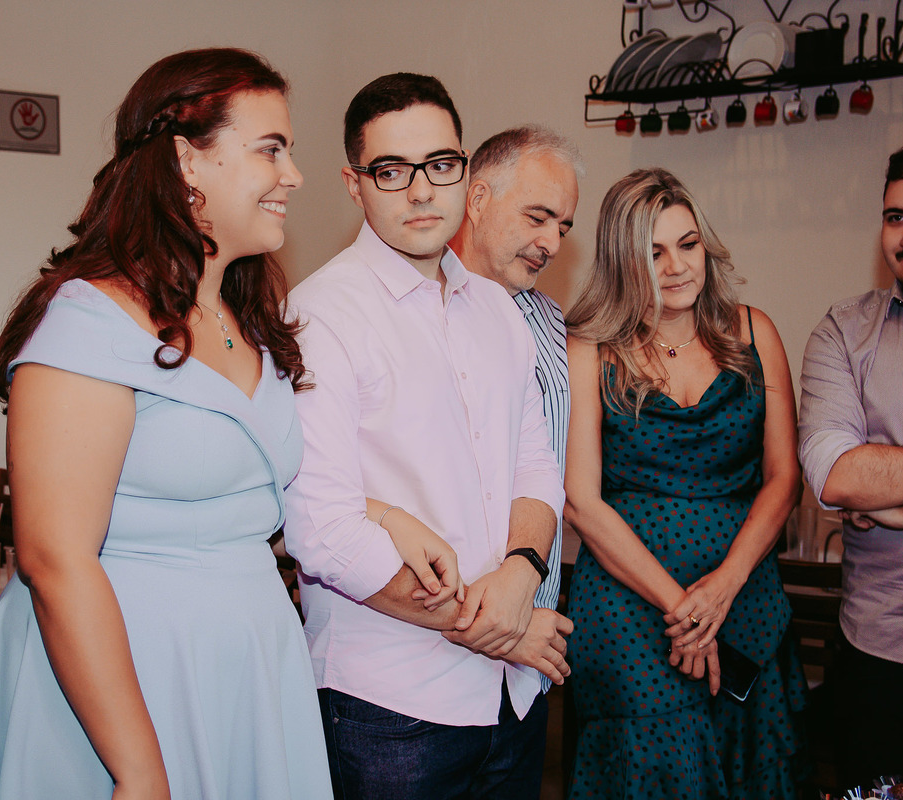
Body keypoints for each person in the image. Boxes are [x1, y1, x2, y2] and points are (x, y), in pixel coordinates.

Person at [0, 48, 331, 800]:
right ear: (187, 161)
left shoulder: (247, 318)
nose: (293, 175)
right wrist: (137, 769)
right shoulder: (88, 323)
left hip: (247, 667)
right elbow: (55, 558)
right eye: (270, 149)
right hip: (122, 683)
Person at [284, 72, 568, 800]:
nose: (420, 192)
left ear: (465, 172)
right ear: (354, 184)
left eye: (440, 165)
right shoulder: (320, 315)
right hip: (390, 705)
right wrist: (499, 626)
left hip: (512, 695)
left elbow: (536, 466)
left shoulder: (499, 311)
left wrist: (521, 573)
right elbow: (323, 531)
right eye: (391, 171)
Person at [563, 168, 806, 799]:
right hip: (629, 606)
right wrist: (685, 609)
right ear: (622, 260)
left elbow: (784, 478)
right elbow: (582, 503)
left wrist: (723, 588)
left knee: (751, 766)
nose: (676, 267)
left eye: (688, 244)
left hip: (744, 594)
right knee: (655, 773)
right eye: (653, 252)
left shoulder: (755, 331)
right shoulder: (589, 348)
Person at [798, 132, 903, 791]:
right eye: (896, 217)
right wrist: (872, 490)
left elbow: (865, 481)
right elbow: (837, 475)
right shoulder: (843, 333)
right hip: (887, 660)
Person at [449, 124, 583, 707]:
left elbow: (549, 467)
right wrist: (505, 624)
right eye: (538, 217)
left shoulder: (551, 322)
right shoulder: (418, 312)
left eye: (563, 227)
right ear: (478, 199)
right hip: (439, 656)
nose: (552, 242)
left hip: (532, 664)